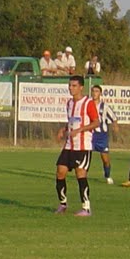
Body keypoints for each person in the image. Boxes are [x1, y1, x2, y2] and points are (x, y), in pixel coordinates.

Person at [53, 75, 98, 216]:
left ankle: (86, 208)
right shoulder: (69, 103)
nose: (71, 88)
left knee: (80, 174)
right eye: (69, 85)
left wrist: (79, 130)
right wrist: (64, 129)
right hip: (69, 145)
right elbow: (72, 122)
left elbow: (96, 122)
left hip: (83, 146)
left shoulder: (88, 103)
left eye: (74, 86)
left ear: (81, 87)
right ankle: (63, 204)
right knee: (60, 171)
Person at [90, 83, 117, 184]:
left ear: (100, 93)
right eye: (93, 91)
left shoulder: (104, 106)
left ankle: (107, 176)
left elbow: (113, 118)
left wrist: (115, 126)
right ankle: (82, 175)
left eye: (97, 91)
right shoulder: (88, 105)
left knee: (105, 159)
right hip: (90, 134)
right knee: (85, 155)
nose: (94, 93)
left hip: (102, 136)